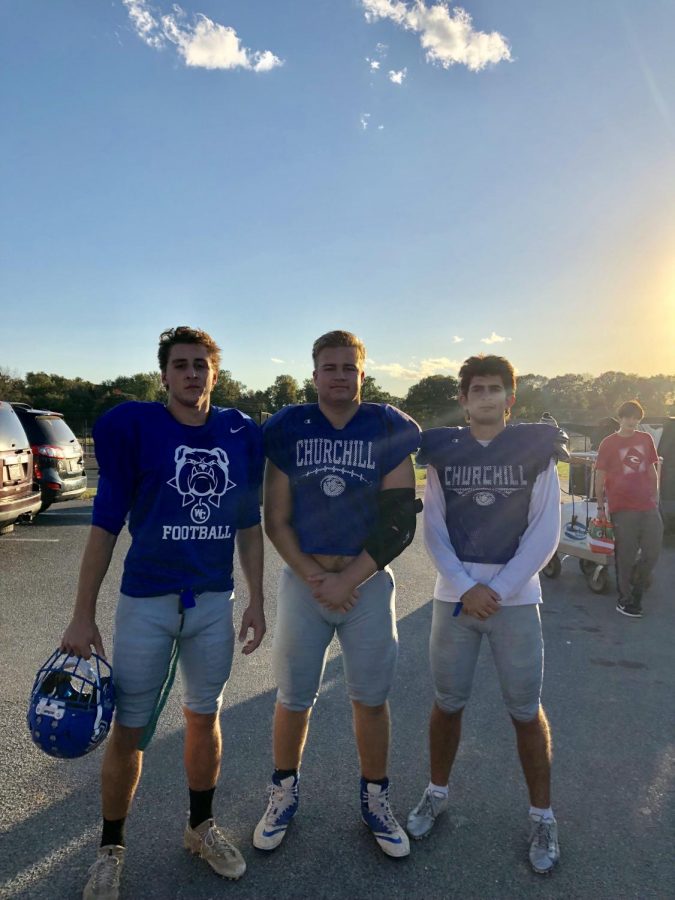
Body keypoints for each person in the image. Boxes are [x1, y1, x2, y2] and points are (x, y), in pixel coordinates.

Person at [60, 326, 266, 899]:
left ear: (215, 374)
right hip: (147, 601)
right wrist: (83, 613)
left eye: (202, 364)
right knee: (130, 728)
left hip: (211, 599)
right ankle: (110, 848)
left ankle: (199, 827)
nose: (192, 374)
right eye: (181, 364)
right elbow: (103, 528)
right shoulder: (139, 429)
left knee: (205, 715)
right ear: (164, 375)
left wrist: (257, 596)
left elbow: (249, 524)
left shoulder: (237, 432)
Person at [253, 330, 421, 859]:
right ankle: (282, 792)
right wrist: (312, 576)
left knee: (370, 699)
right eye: (331, 367)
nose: (340, 376)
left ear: (362, 374)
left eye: (350, 367)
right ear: (314, 373)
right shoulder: (288, 427)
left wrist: (350, 580)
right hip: (306, 583)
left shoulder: (388, 426)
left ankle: (375, 799)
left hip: (366, 584)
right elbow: (274, 518)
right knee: (293, 697)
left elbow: (400, 522)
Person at [406, 354, 568, 876]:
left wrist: (493, 588)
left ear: (510, 398)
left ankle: (542, 814)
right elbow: (433, 526)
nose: (486, 396)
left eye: (496, 388)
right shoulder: (444, 452)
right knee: (447, 702)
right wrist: (463, 586)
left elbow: (546, 531)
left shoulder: (535, 449)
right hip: (455, 595)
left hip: (514, 598)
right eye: (477, 388)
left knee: (525, 710)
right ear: (463, 397)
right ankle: (436, 792)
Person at [594, 400, 662, 618]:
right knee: (625, 555)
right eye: (628, 417)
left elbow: (652, 469)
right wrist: (600, 506)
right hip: (622, 507)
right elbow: (600, 475)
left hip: (647, 505)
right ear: (620, 418)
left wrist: (655, 496)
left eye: (636, 418)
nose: (632, 421)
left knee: (652, 551)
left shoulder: (645, 439)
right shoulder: (608, 443)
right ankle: (626, 600)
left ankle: (638, 589)